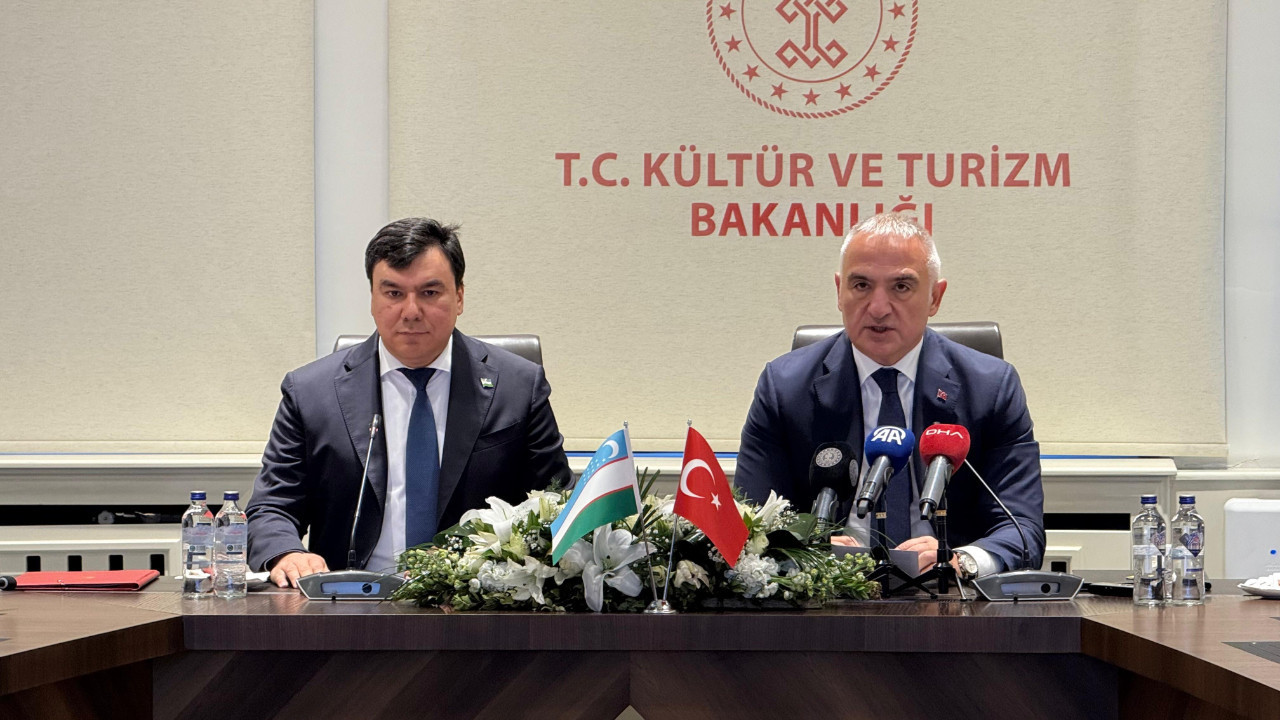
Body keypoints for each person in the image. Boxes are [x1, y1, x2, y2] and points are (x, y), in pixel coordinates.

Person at [247, 217, 571, 587]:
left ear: (459, 297)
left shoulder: (518, 386)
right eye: (394, 294)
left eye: (429, 293)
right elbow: (272, 507)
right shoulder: (310, 392)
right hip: (349, 600)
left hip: (477, 602)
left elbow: (557, 505)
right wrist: (287, 553)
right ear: (372, 299)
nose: (411, 311)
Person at [734, 213, 1044, 578]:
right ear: (839, 291)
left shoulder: (991, 388)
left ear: (935, 297)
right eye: (861, 285)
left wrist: (962, 561)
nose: (878, 308)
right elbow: (752, 525)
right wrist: (807, 554)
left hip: (948, 595)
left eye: (901, 287)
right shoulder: (785, 387)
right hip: (830, 595)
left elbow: (1022, 530)